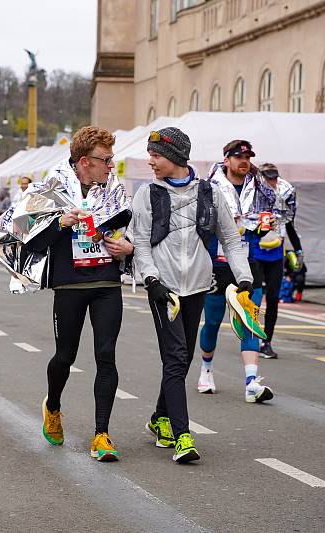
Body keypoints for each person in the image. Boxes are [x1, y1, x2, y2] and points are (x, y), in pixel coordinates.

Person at [131, 128, 254, 463]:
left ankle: (159, 418)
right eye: (150, 154)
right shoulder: (147, 194)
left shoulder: (210, 193)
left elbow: (231, 239)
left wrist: (244, 279)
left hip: (198, 286)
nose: (151, 161)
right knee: (174, 357)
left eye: (156, 154)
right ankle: (183, 435)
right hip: (164, 289)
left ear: (175, 156)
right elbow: (140, 243)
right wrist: (151, 280)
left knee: (183, 358)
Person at [23, 126, 132, 462]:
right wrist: (60, 224)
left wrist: (127, 248)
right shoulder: (51, 188)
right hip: (70, 285)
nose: (111, 166)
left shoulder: (116, 190)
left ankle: (102, 434)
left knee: (106, 355)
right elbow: (27, 236)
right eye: (106, 160)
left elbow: (133, 231)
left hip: (106, 284)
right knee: (65, 357)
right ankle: (52, 405)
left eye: (112, 159)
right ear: (85, 161)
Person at [197, 140, 275, 402]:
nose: (244, 161)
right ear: (226, 159)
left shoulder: (260, 187)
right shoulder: (210, 185)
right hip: (218, 263)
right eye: (238, 156)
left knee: (250, 322)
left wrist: (265, 226)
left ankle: (251, 383)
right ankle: (206, 370)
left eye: (248, 157)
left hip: (249, 263)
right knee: (213, 321)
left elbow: (274, 212)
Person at [253, 162, 304, 359]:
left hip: (276, 254)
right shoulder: (253, 192)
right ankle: (252, 337)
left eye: (274, 177)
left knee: (273, 298)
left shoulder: (284, 194)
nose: (272, 181)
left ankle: (267, 342)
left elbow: (290, 225)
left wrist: (298, 250)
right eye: (268, 177)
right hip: (256, 253)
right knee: (255, 297)